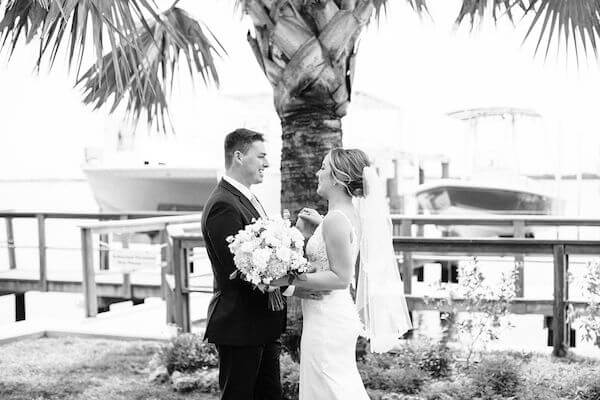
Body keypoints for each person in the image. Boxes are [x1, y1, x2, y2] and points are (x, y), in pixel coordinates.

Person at [271, 148, 412, 400]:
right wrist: (317, 225)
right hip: (326, 316)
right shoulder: (342, 217)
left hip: (327, 320)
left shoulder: (336, 219)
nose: (318, 172)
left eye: (323, 167)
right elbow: (335, 247)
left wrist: (284, 279)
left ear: (337, 178)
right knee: (331, 387)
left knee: (332, 388)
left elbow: (340, 277)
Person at [201, 128, 327, 400]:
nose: (267, 164)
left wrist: (297, 235)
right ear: (238, 157)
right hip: (239, 324)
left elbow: (265, 255)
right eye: (261, 157)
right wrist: (295, 288)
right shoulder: (223, 204)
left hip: (261, 323)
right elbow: (240, 271)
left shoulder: (246, 197)